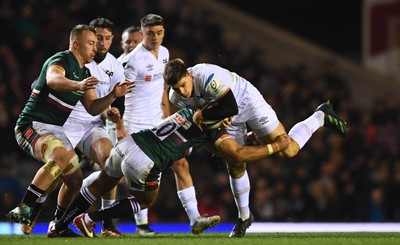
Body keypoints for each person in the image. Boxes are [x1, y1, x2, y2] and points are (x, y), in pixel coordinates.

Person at [163, 58, 348, 237]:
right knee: (234, 162)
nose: (182, 91)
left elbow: (230, 106)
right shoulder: (176, 98)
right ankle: (244, 217)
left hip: (246, 103)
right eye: (176, 88)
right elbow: (205, 129)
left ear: (189, 75)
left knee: (289, 150)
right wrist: (211, 120)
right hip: (224, 115)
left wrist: (204, 114)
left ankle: (320, 116)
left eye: (183, 84)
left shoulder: (205, 76)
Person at [47, 106, 291, 238]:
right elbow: (233, 154)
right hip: (145, 160)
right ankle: (90, 219)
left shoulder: (185, 111)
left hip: (128, 145)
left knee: (98, 185)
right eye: (226, 118)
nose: (228, 121)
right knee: (145, 200)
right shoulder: (212, 130)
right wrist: (273, 146)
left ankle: (59, 226)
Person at [6, 24, 133, 237]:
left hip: (56, 130)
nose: (96, 48)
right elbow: (53, 80)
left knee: (75, 180)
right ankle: (26, 206)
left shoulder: (84, 72)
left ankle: (58, 226)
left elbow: (93, 107)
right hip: (32, 125)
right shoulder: (61, 60)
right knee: (61, 156)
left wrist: (113, 95)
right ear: (76, 44)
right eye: (91, 43)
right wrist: (78, 85)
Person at [121, 14, 217, 235]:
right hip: (135, 123)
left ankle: (195, 219)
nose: (155, 37)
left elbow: (163, 90)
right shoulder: (132, 61)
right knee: (128, 176)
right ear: (142, 34)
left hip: (159, 122)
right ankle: (136, 224)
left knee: (181, 163)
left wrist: (166, 116)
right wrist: (119, 127)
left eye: (159, 32)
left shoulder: (164, 54)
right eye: (150, 33)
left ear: (164, 32)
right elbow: (118, 95)